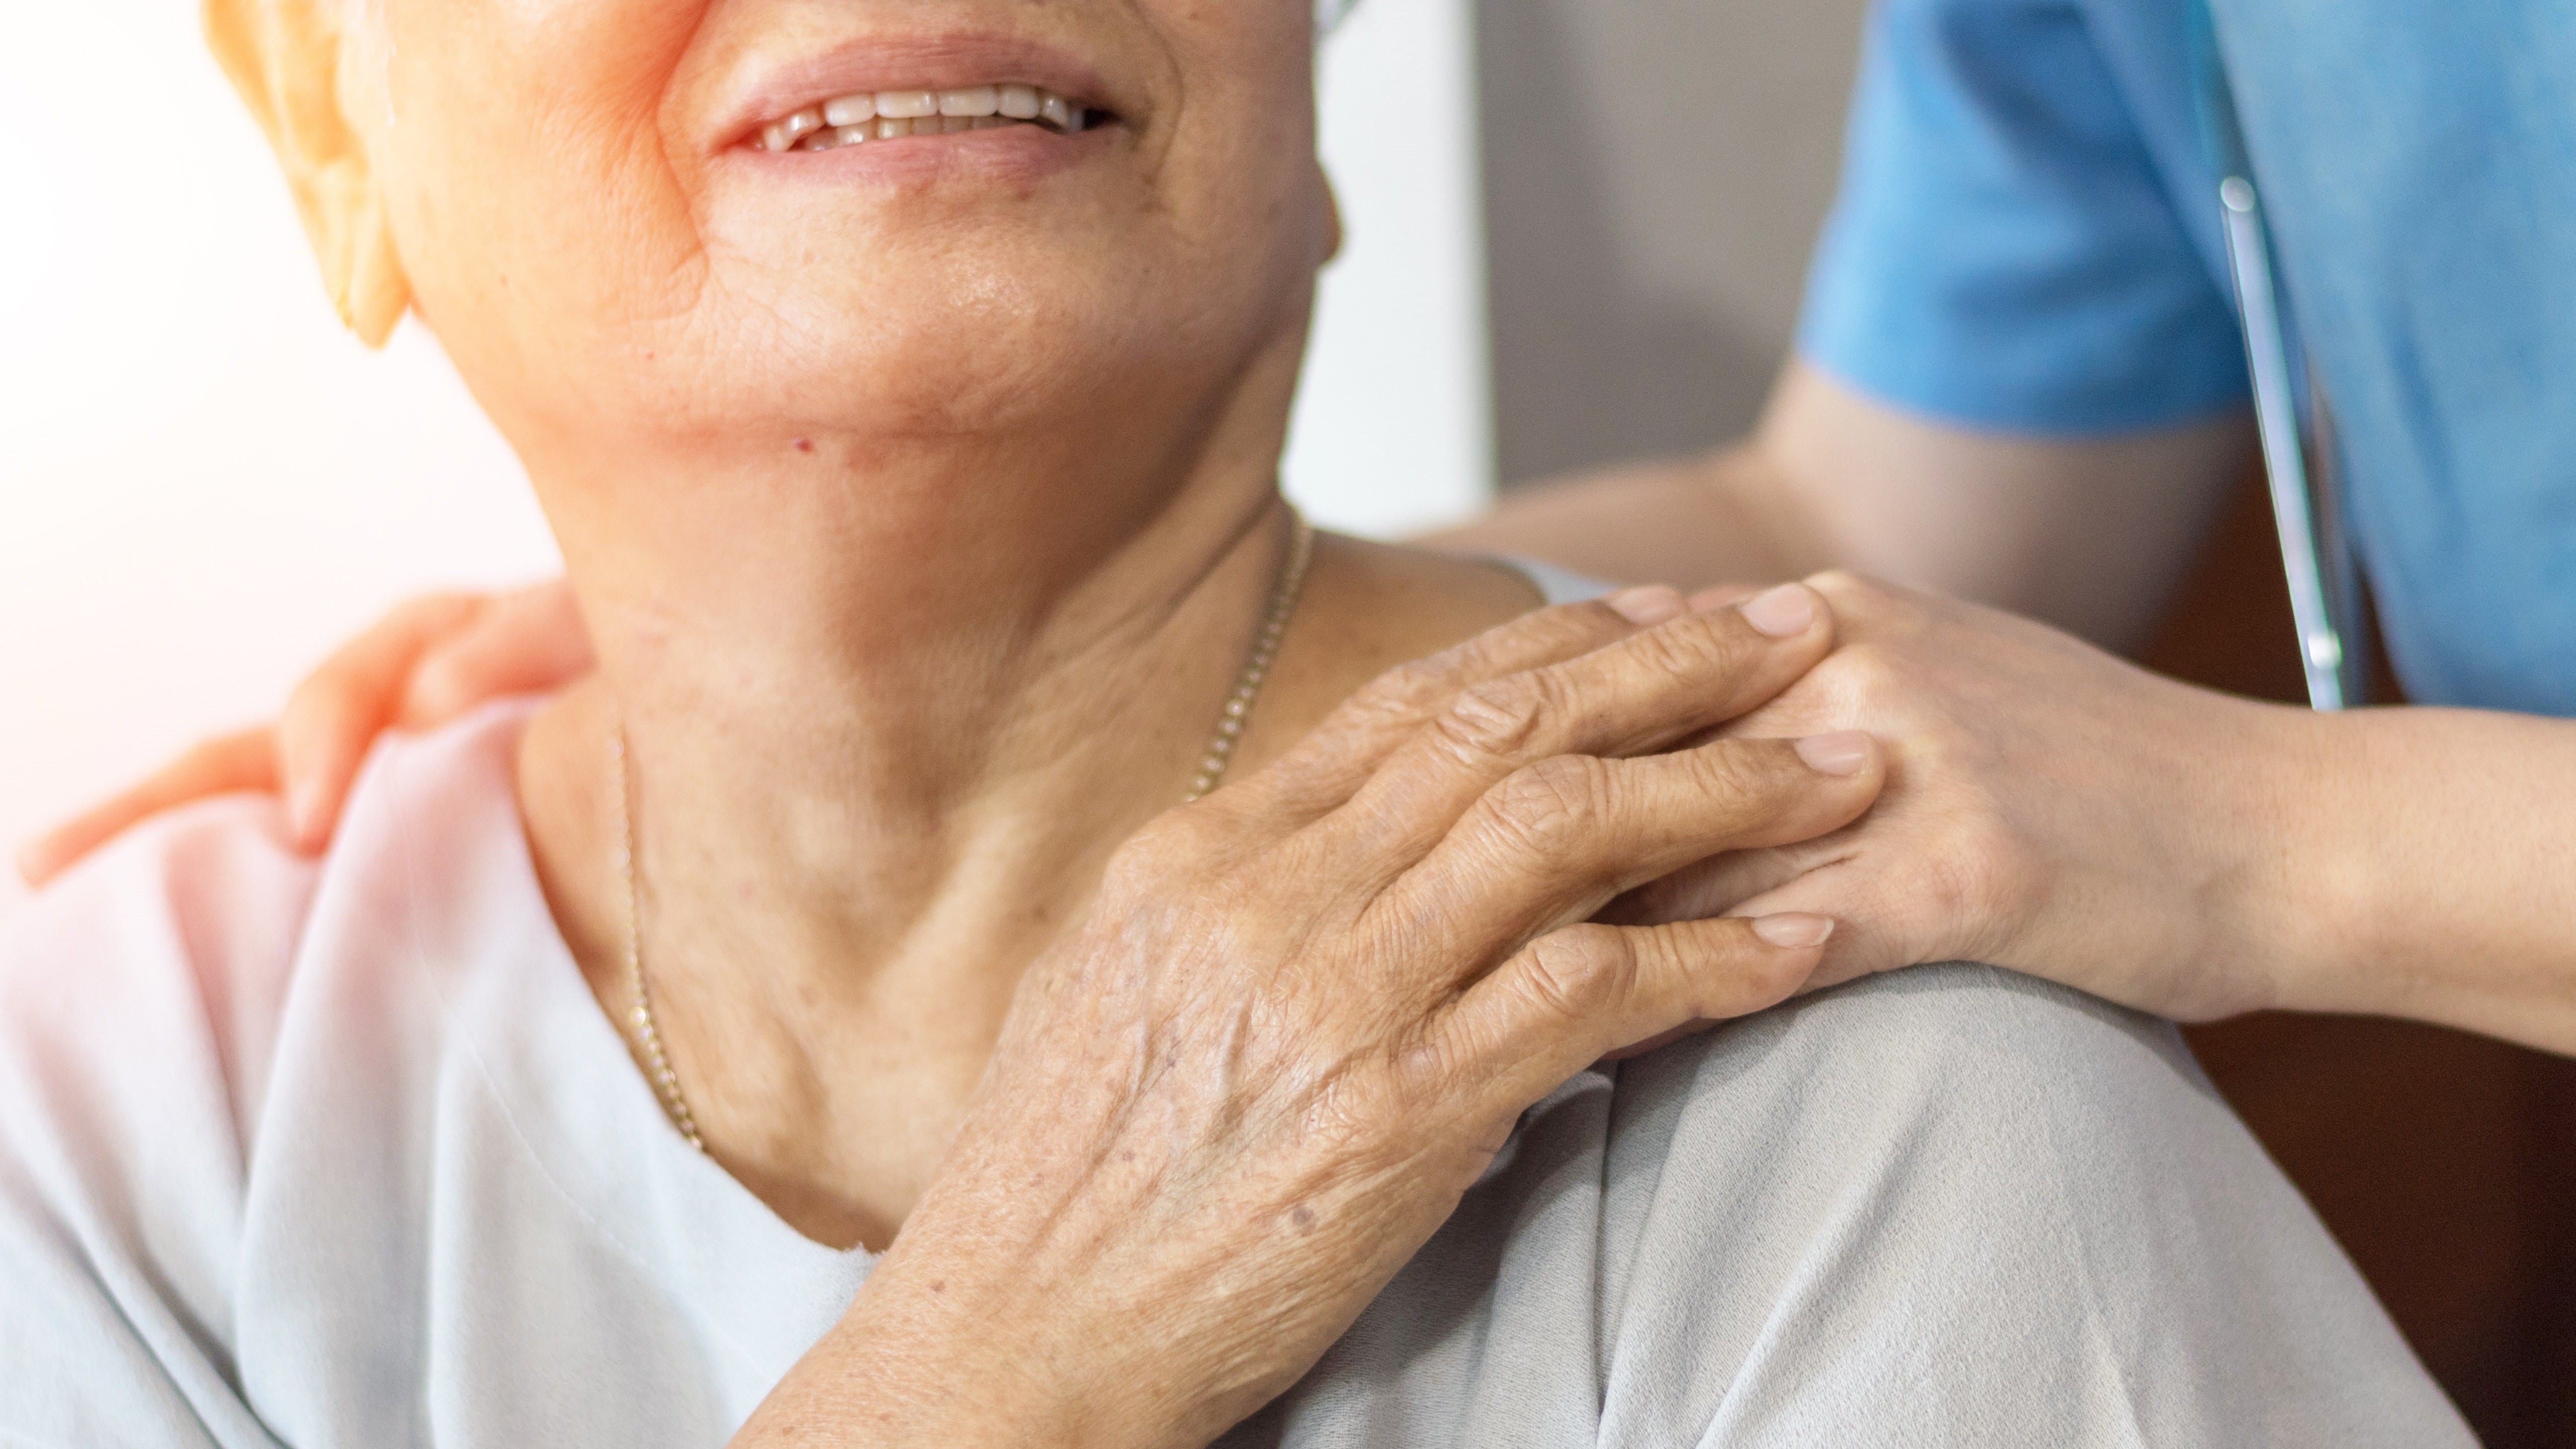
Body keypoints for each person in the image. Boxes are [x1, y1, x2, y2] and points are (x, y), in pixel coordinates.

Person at [0, 0, 2476, 1444]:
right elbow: (1844, 491)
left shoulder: (1884, 1124)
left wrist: (2280, 842)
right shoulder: (107, 1100)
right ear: (318, 118)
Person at [52, 0, 2568, 1054]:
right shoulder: (160, 1063)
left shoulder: (1928, 1149)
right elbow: (1850, 505)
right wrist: (905, 669)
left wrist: (2265, 842)